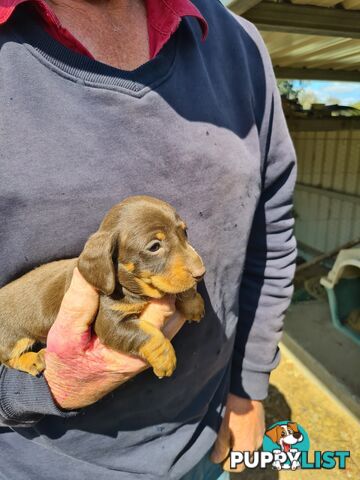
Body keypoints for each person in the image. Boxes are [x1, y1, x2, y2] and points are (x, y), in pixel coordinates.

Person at [0, 0, 297, 478]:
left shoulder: (237, 43)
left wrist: (248, 388)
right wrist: (33, 390)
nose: (196, 266)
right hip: (36, 463)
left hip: (206, 439)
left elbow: (273, 229)